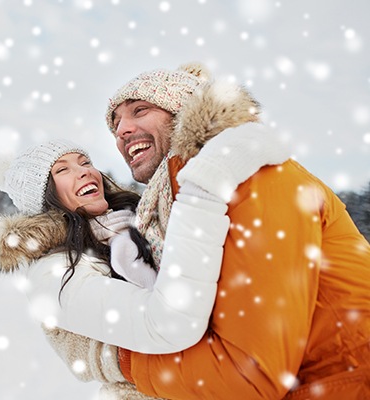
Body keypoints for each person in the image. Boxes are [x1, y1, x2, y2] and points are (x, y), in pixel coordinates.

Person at [85, 63, 369, 399]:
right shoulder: (179, 204)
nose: (121, 130)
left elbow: (249, 376)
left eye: (139, 110)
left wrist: (117, 361)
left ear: (182, 111)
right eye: (115, 124)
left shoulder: (252, 174)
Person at [0, 134, 287, 398]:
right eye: (63, 170)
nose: (85, 173)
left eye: (84, 162)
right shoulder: (52, 272)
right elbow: (167, 322)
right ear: (44, 198)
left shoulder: (139, 224)